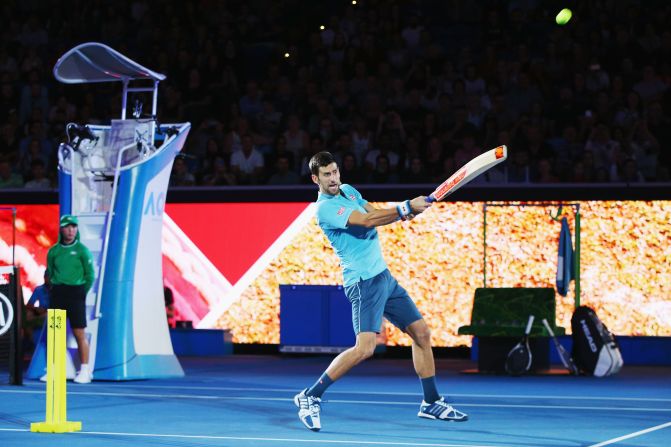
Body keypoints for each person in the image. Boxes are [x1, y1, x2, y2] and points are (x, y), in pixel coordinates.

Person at [294, 151, 468, 432]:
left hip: (384, 278)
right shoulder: (324, 209)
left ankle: (431, 402)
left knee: (421, 333)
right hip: (363, 283)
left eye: (336, 171)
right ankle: (310, 395)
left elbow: (373, 212)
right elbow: (366, 222)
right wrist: (403, 208)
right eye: (327, 175)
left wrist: (404, 212)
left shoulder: (348, 190)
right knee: (365, 348)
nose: (334, 178)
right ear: (316, 179)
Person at [46, 214, 95, 384]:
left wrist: (80, 292)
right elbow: (50, 273)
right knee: (55, 333)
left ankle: (85, 371)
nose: (71, 230)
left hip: (76, 294)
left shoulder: (82, 250)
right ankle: (54, 370)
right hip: (58, 293)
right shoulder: (53, 251)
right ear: (61, 229)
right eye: (68, 226)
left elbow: (90, 276)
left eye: (74, 227)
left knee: (79, 333)